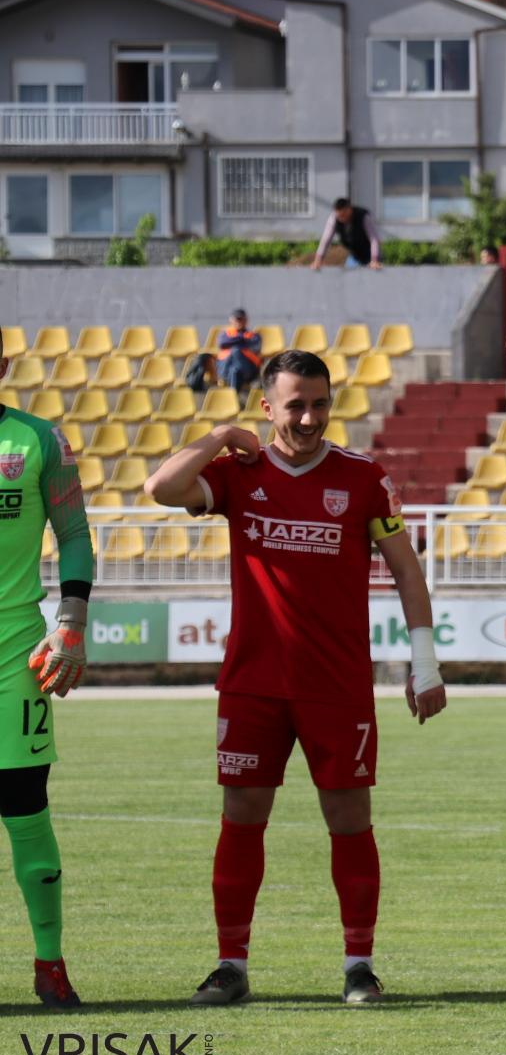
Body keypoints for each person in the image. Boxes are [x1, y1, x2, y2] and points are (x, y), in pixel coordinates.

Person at [144, 349, 448, 1007]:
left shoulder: (365, 479)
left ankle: (359, 967)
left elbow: (406, 570)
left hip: (336, 685)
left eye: (319, 404)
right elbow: (161, 488)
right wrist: (222, 437)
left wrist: (425, 664)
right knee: (242, 815)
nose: (308, 418)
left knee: (348, 818)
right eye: (294, 405)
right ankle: (230, 965)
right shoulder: (236, 474)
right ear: (267, 407)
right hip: (253, 681)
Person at [0, 349, 92, 1009]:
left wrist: (71, 621)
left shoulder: (38, 440)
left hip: (14, 656)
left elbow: (76, 535)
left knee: (26, 810)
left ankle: (50, 963)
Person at [312, 199, 382, 270]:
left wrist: (374, 260)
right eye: (339, 216)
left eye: (343, 215)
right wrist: (318, 260)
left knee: (373, 274)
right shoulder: (333, 218)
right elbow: (326, 240)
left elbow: (374, 239)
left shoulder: (363, 217)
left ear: (349, 210)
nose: (341, 219)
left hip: (370, 253)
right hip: (355, 255)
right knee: (349, 275)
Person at [216, 309, 262, 393]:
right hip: (227, 369)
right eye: (237, 319)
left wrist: (233, 342)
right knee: (234, 370)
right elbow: (222, 343)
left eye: (242, 319)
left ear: (246, 320)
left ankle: (232, 396)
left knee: (235, 351)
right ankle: (235, 398)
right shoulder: (225, 334)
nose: (239, 322)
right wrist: (242, 340)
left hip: (248, 370)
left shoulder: (254, 335)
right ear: (231, 320)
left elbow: (256, 347)